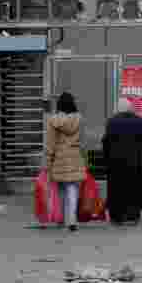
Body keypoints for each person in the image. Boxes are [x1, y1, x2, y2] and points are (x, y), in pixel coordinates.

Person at [102, 98, 142, 226]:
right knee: (134, 187)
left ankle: (116, 216)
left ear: (118, 108)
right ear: (130, 108)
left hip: (115, 162)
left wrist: (106, 159)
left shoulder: (111, 122)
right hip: (134, 161)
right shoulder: (139, 121)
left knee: (116, 189)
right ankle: (133, 215)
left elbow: (106, 142)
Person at [46, 91, 86, 232]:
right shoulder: (79, 120)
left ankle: (61, 219)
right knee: (73, 188)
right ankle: (72, 221)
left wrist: (48, 161)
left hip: (59, 157)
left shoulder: (53, 120)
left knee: (61, 190)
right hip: (75, 155)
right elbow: (83, 141)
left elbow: (50, 143)